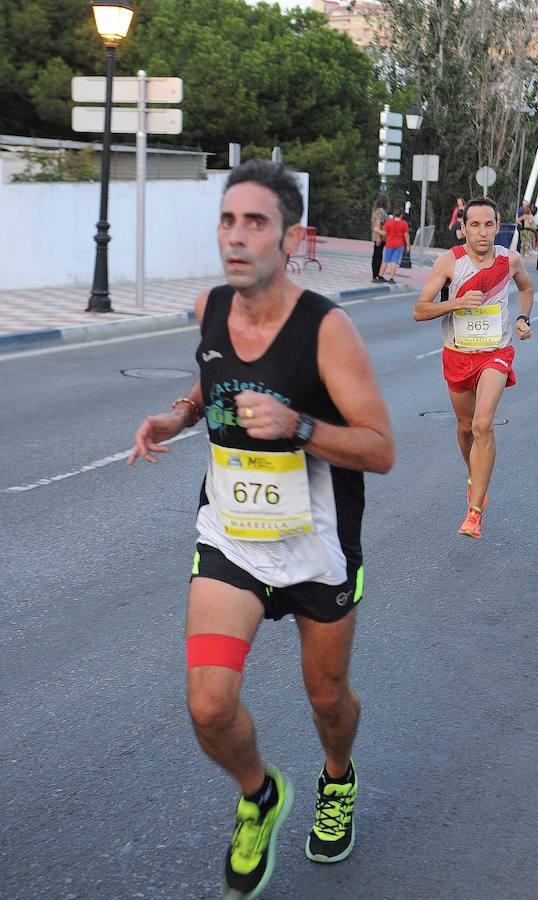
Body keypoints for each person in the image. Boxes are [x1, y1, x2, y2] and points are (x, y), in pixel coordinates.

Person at [128, 159, 395, 899]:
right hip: (232, 539)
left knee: (326, 698)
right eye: (227, 220)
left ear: (292, 237)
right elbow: (211, 378)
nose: (237, 237)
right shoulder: (212, 306)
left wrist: (299, 424)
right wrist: (178, 417)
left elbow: (381, 448)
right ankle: (259, 794)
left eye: (256, 223)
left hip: (317, 550)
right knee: (209, 705)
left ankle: (335, 779)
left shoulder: (326, 331)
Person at [412, 197, 533, 539]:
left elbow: (526, 287)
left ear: (499, 226)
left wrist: (523, 318)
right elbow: (419, 310)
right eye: (475, 225)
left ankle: (475, 511)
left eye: (489, 224)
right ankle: (474, 475)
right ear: (463, 228)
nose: (482, 232)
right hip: (457, 354)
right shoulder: (450, 261)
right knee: (466, 428)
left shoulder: (510, 260)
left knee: (483, 424)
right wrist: (456, 303)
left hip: (495, 352)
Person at [378, 209, 410, 283]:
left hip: (389, 244)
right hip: (399, 244)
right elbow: (406, 235)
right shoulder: (404, 224)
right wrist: (408, 245)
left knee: (385, 260)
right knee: (394, 261)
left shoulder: (389, 222)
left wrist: (376, 230)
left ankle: (380, 275)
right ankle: (391, 278)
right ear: (401, 215)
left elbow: (384, 233)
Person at [371, 194, 389, 282]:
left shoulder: (377, 211)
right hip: (380, 237)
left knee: (378, 255)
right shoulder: (380, 212)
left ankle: (377, 274)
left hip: (380, 236)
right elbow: (377, 225)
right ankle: (376, 275)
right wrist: (379, 238)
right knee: (377, 256)